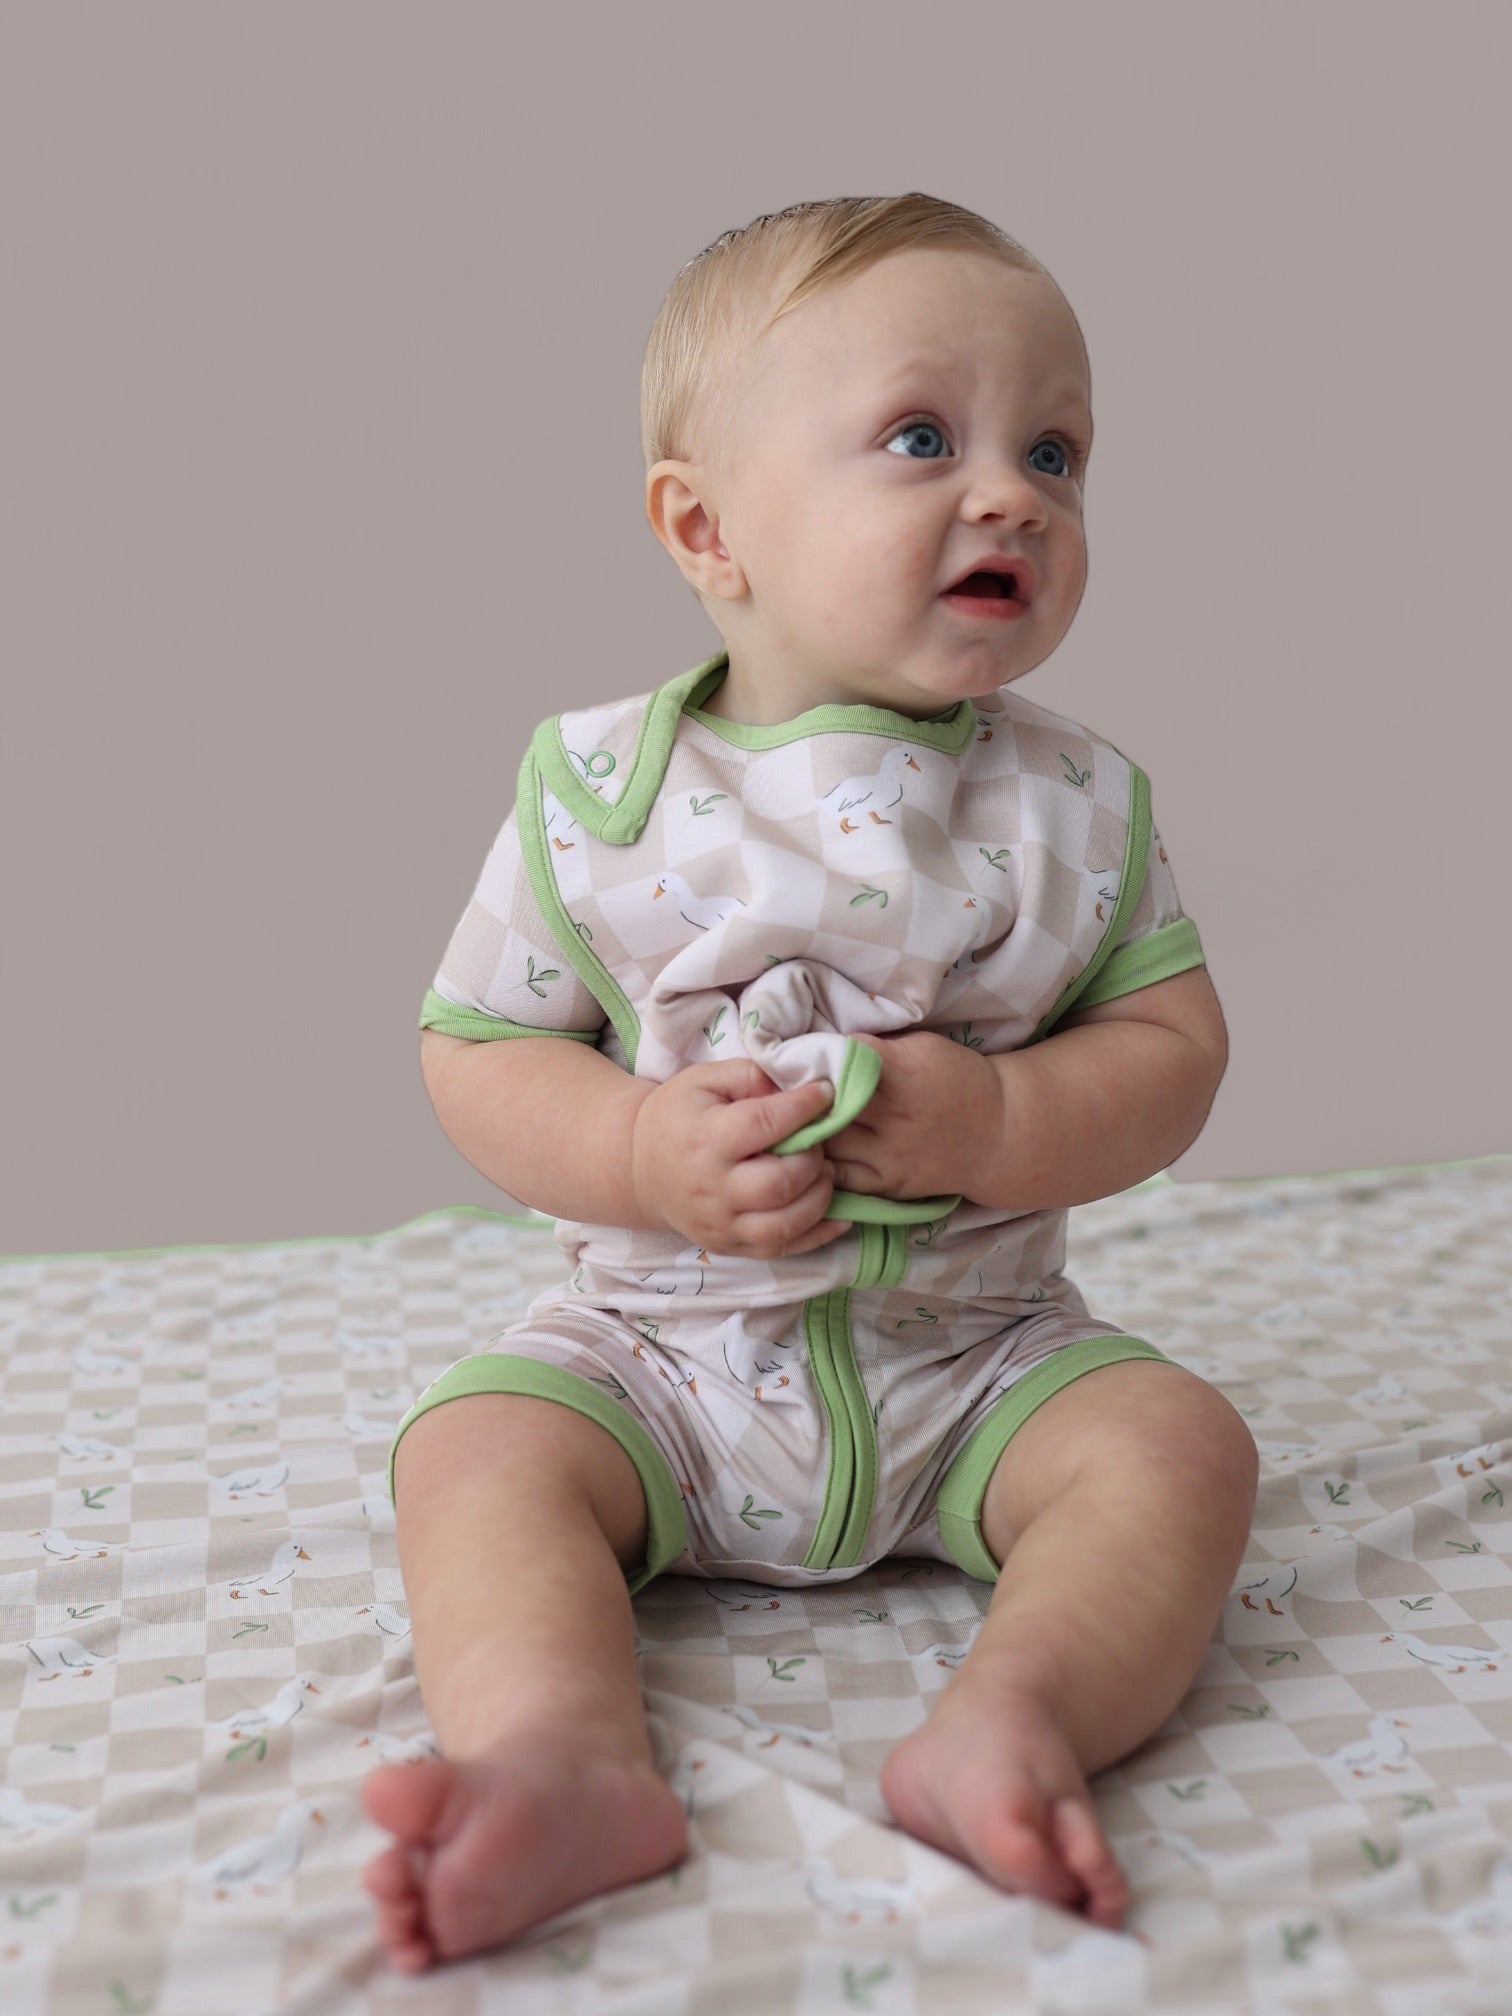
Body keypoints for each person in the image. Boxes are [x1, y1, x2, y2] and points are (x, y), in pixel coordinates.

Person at [360, 192, 1259, 1973]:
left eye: (1056, 453)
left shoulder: (1076, 810)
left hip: (976, 1360)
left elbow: (1175, 1057)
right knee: (477, 1452)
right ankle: (562, 1757)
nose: (1013, 494)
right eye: (923, 439)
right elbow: (477, 1049)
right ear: (709, 528)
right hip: (657, 1363)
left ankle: (1010, 1724)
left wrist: (1002, 1124)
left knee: (1177, 1450)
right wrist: (639, 1149)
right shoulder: (602, 797)